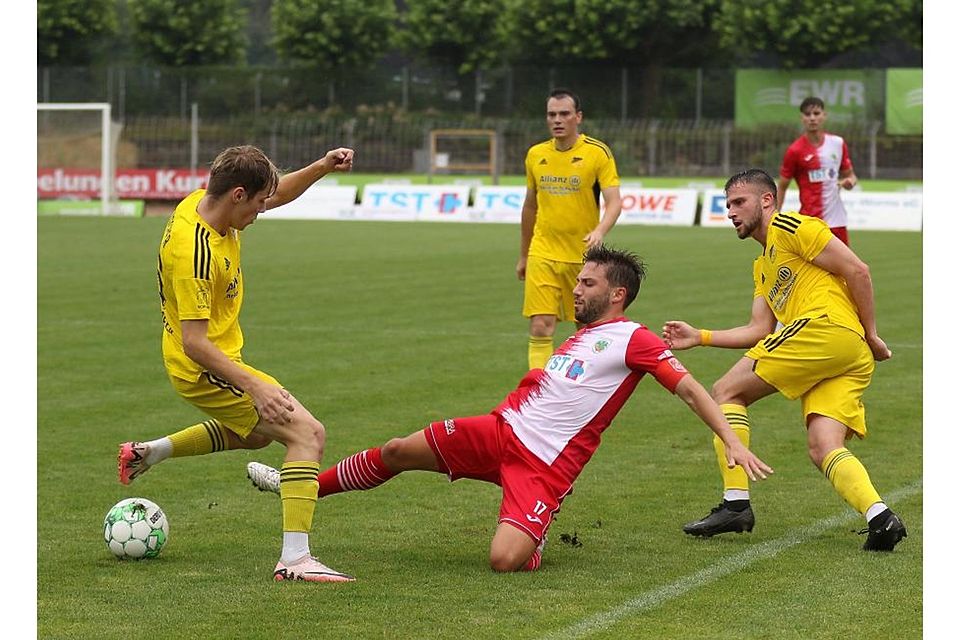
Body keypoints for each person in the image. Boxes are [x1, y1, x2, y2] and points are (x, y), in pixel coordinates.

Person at [246, 245, 773, 573]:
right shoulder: (583, 336)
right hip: (500, 431)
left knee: (504, 561)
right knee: (396, 449)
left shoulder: (633, 340)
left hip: (544, 467)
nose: (576, 290)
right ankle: (300, 484)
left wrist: (729, 438)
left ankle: (534, 534)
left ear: (618, 293)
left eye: (587, 283)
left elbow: (688, 389)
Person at [117, 144, 357, 582]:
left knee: (257, 437)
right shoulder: (195, 253)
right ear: (238, 195)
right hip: (203, 366)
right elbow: (195, 343)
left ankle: (151, 452)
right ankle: (295, 561)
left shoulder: (206, 200)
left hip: (213, 357)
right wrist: (256, 386)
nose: (264, 211)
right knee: (307, 434)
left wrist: (322, 166)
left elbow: (276, 191)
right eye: (260, 203)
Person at [662, 168, 906, 552]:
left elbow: (857, 269)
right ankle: (881, 517)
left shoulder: (791, 226)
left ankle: (736, 503)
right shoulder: (763, 266)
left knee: (726, 390)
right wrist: (701, 337)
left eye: (739, 202)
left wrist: (872, 333)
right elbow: (760, 328)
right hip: (844, 351)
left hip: (825, 331)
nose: (731, 212)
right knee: (823, 445)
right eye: (727, 205)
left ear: (767, 201)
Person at [517, 88, 623, 370]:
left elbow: (614, 202)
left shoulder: (597, 153)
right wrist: (525, 255)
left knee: (584, 328)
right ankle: (537, 392)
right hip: (543, 252)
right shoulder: (535, 155)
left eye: (564, 114)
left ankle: (581, 389)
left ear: (578, 117)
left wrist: (600, 230)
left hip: (582, 256)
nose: (557, 120)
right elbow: (530, 207)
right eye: (552, 114)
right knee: (541, 325)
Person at [777, 96, 858, 245]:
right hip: (810, 223)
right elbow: (782, 187)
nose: (812, 118)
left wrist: (850, 183)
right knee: (812, 269)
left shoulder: (837, 143)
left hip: (837, 221)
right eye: (808, 114)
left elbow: (851, 176)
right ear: (802, 118)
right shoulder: (794, 151)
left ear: (824, 115)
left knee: (847, 269)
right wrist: (774, 219)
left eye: (816, 113)